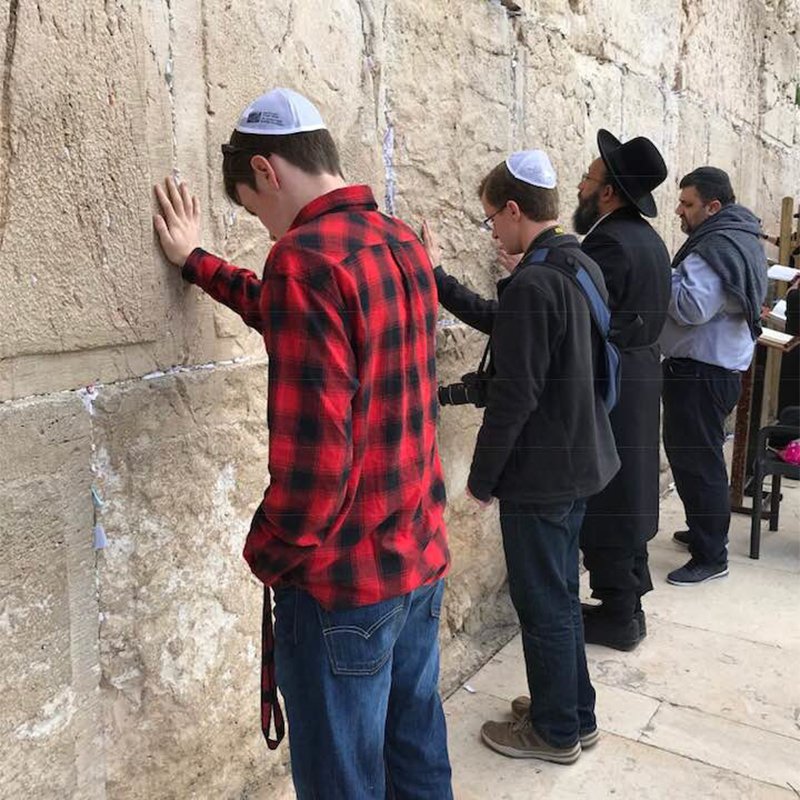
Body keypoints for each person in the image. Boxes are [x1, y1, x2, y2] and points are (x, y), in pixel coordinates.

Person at [153, 87, 453, 799]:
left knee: (341, 782)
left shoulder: (302, 260)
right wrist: (197, 261)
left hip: (343, 589)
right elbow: (287, 314)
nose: (266, 231)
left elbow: (315, 469)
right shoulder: (402, 242)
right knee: (416, 757)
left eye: (255, 210)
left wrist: (270, 554)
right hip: (418, 562)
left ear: (266, 170)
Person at [424, 150, 619, 764]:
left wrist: (481, 480)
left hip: (541, 474)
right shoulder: (574, 263)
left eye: (491, 219)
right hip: (579, 461)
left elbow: (514, 396)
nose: (492, 232)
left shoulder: (537, 281)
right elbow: (505, 322)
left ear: (513, 210)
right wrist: (438, 277)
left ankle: (554, 733)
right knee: (559, 595)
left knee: (542, 605)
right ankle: (574, 713)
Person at [573, 131, 671, 651]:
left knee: (610, 496)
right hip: (641, 374)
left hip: (616, 380)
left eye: (588, 178)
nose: (581, 186)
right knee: (630, 491)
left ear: (608, 192)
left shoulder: (608, 242)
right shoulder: (649, 240)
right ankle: (629, 607)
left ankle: (617, 616)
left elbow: (587, 317)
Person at [660, 167, 767, 586]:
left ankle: (710, 555)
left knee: (699, 463)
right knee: (695, 458)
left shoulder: (715, 247)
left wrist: (661, 274)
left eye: (687, 204)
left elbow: (691, 307)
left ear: (713, 206)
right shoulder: (739, 237)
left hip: (701, 374)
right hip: (710, 371)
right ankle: (704, 530)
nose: (679, 211)